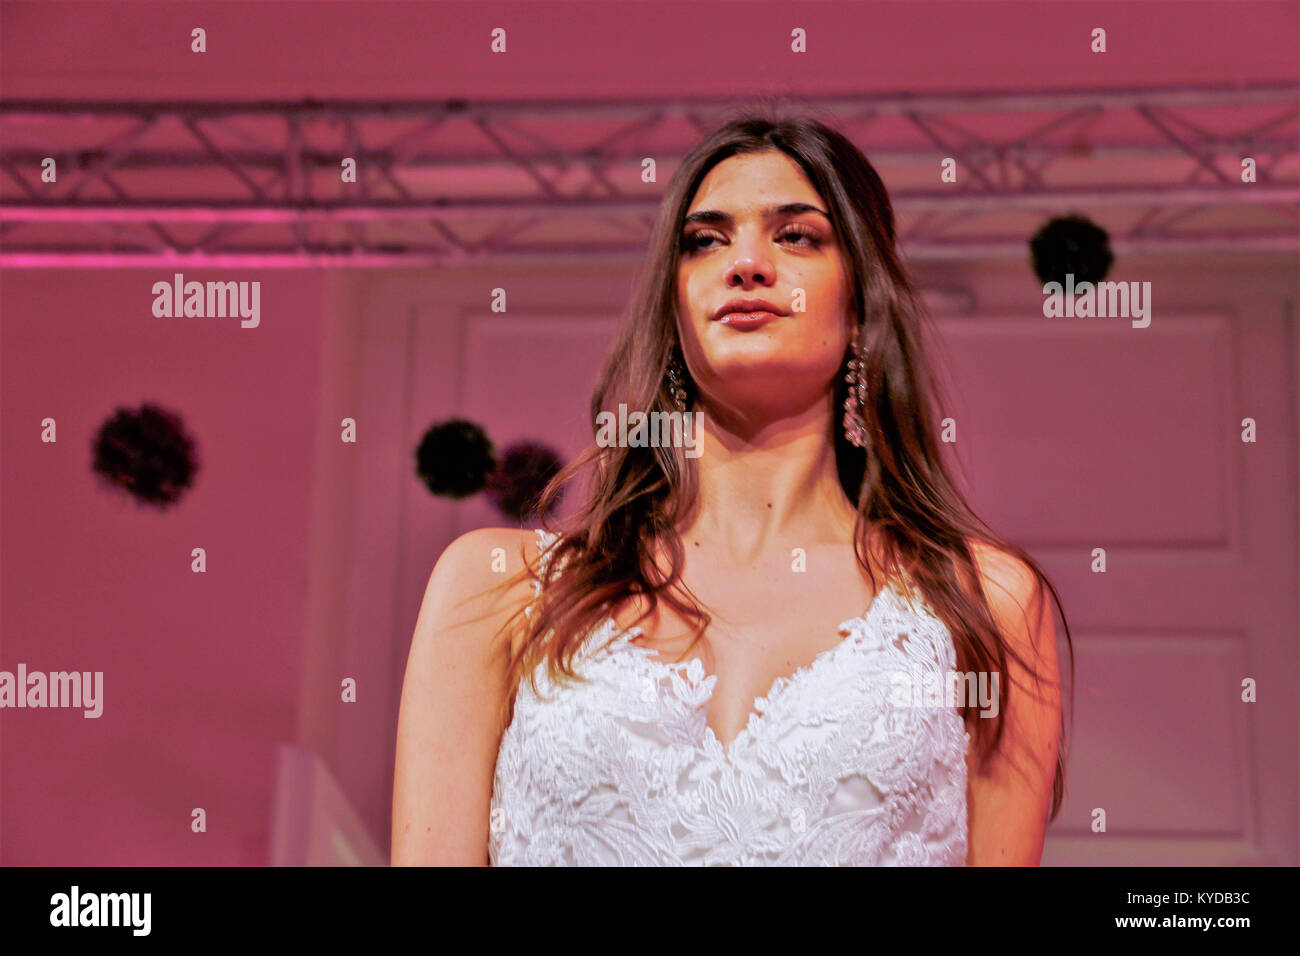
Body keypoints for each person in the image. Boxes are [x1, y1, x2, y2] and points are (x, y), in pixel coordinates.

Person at [392, 111, 1071, 866]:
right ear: (674, 308)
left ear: (860, 309)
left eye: (796, 236)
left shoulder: (983, 602)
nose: (745, 263)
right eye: (705, 240)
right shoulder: (495, 589)